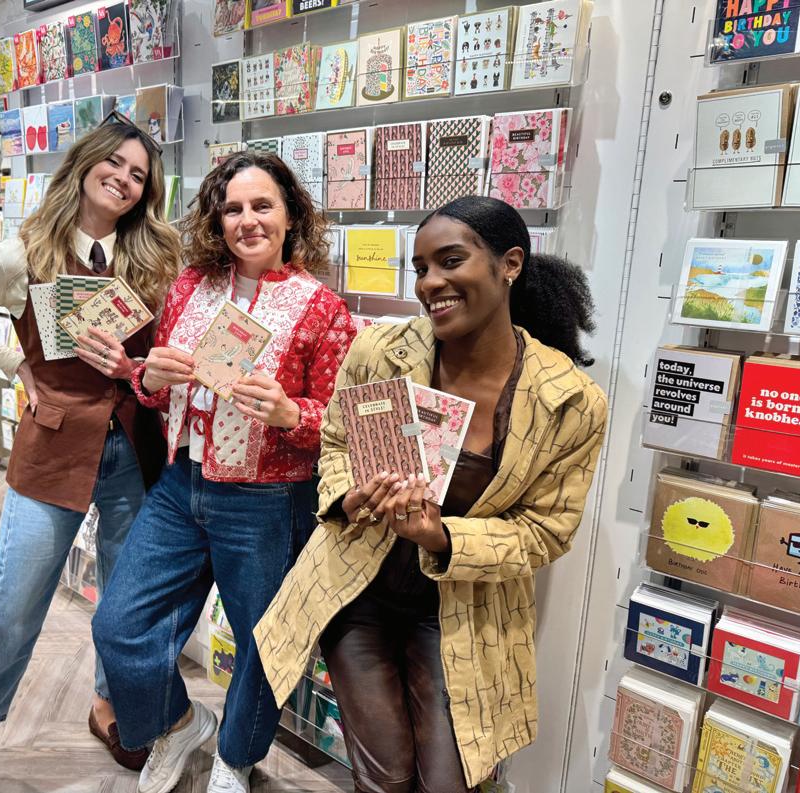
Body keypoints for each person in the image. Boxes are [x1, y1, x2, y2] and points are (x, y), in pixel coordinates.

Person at [254, 196, 608, 792]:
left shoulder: (569, 401)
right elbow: (337, 441)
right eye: (420, 268)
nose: (430, 283)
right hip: (357, 589)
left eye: (450, 261)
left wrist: (443, 537)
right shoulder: (381, 350)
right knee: (385, 778)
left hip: (463, 610)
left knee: (448, 783)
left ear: (510, 264)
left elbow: (546, 531)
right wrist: (350, 496)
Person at [0, 116, 181, 793]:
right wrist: (15, 364)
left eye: (138, 175)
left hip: (136, 449)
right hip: (53, 446)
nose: (123, 179)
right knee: (12, 598)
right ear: (86, 164)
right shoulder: (22, 255)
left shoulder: (154, 257)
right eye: (115, 163)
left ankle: (107, 704)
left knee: (126, 601)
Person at [92, 151, 357, 793]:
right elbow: (157, 390)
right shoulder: (191, 286)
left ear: (291, 215)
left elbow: (342, 422)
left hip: (268, 500)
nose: (247, 220)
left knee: (261, 645)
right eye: (233, 208)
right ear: (218, 220)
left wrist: (291, 413)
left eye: (262, 205)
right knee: (119, 625)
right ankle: (177, 724)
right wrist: (148, 378)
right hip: (181, 487)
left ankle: (236, 759)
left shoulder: (322, 309)